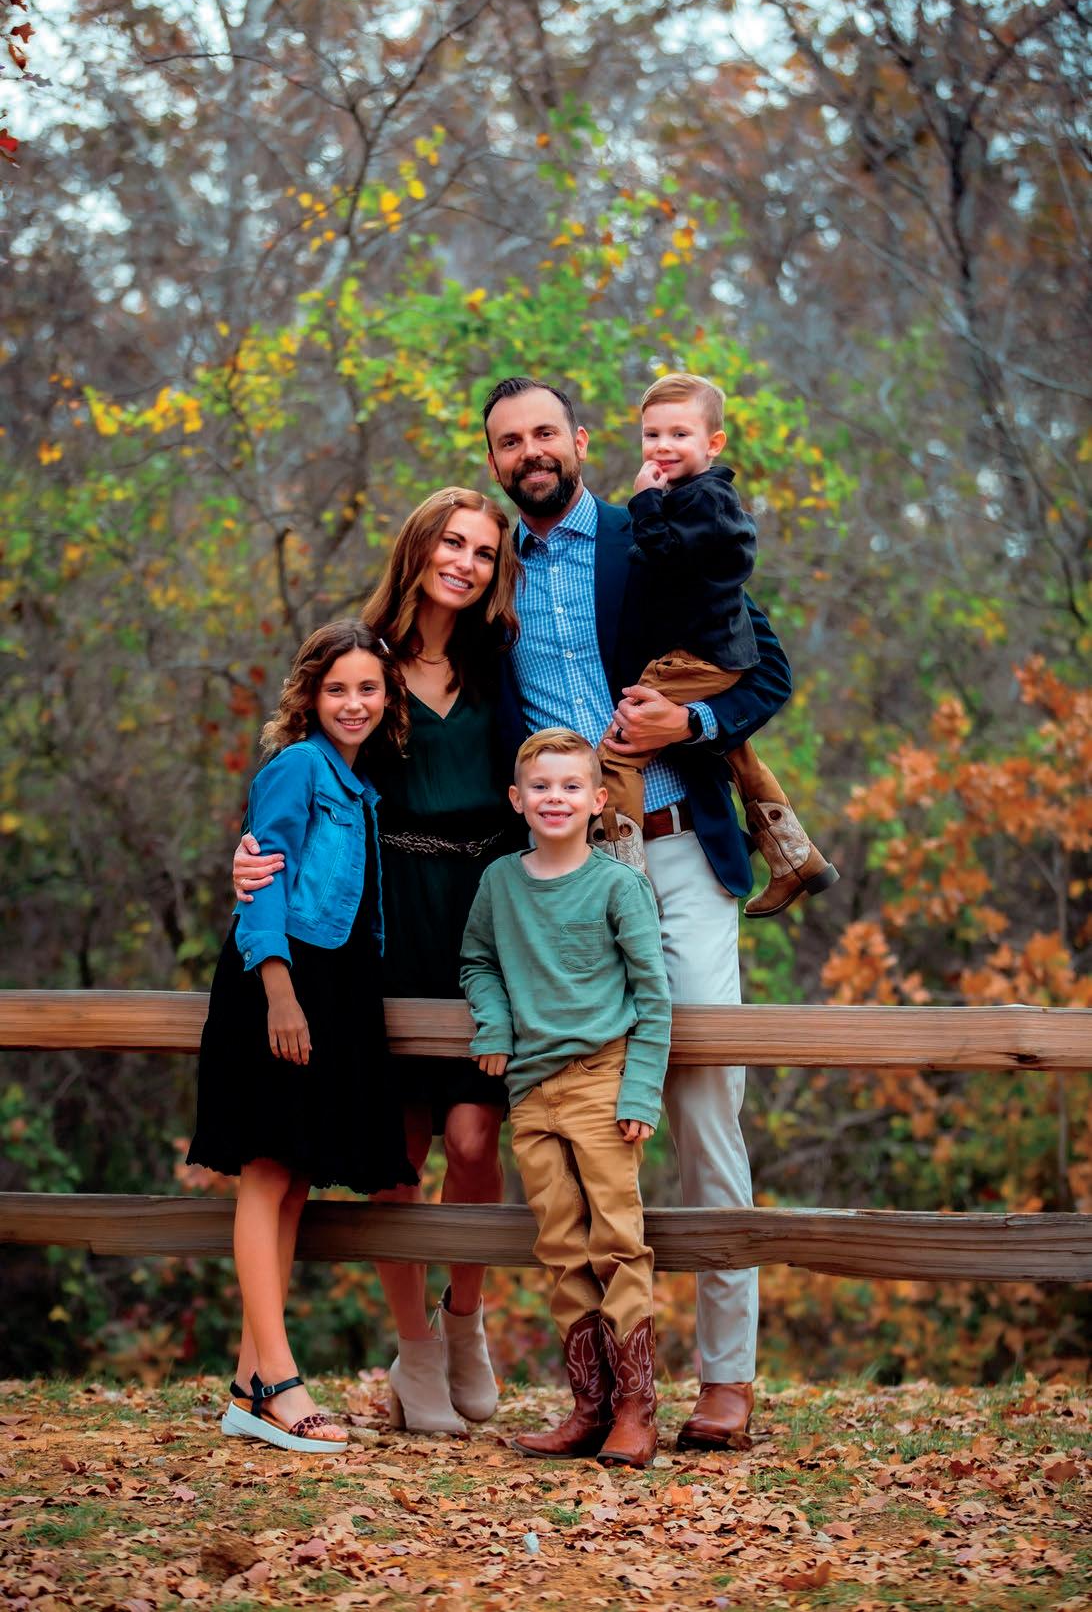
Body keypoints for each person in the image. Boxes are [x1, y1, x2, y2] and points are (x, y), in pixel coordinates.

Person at [482, 375, 792, 1452]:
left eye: (545, 432)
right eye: (509, 441)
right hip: (567, 880)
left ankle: (727, 1379)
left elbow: (766, 670)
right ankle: (606, 1391)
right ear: (495, 460)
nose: (530, 451)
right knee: (573, 1128)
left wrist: (689, 723)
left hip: (674, 851)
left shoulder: (647, 532)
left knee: (705, 1104)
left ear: (579, 440)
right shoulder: (489, 572)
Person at [232, 488, 522, 1437]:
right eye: (451, 542)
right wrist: (250, 860)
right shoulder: (366, 664)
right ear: (418, 549)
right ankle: (415, 1350)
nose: (464, 562)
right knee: (395, 1152)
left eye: (484, 550)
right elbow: (297, 780)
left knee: (474, 1139)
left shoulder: (502, 663)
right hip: (382, 917)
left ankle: (465, 1321)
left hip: (480, 912)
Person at [189, 619, 417, 1455]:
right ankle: (281, 1382)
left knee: (292, 1183)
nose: (353, 703)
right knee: (265, 1173)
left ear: (387, 696)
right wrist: (280, 994)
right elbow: (263, 884)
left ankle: (250, 1383)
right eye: (337, 688)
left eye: (368, 688)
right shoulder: (296, 767)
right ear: (310, 696)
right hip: (281, 981)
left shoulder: (356, 782)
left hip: (337, 984)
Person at [461, 729, 670, 1468]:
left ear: (598, 800)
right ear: (517, 799)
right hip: (530, 1090)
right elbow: (478, 961)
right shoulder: (500, 882)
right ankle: (589, 1407)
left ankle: (636, 1409)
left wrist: (641, 1089)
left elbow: (653, 994)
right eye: (541, 787)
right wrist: (493, 1023)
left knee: (616, 1240)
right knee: (558, 1245)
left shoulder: (618, 886)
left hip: (602, 1082)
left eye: (571, 786)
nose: (556, 798)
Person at [593, 371, 838, 916]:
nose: (663, 446)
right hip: (716, 652)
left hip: (698, 657)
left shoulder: (704, 500)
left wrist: (643, 502)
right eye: (652, 435)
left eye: (679, 434)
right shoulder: (697, 498)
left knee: (619, 751)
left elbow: (667, 559)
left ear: (714, 443)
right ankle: (795, 858)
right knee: (733, 747)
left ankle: (624, 887)